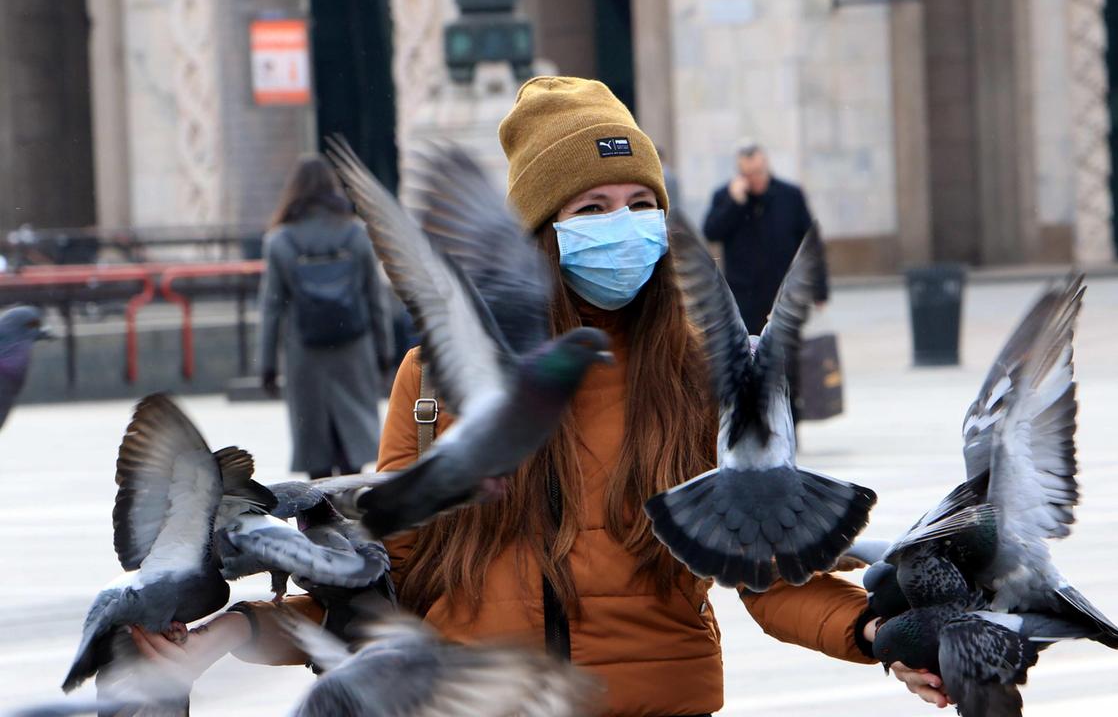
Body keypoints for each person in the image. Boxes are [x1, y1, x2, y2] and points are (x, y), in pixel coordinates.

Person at [130, 78, 949, 714]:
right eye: (592, 208)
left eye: (641, 206)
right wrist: (227, 634)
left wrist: (876, 632)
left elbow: (770, 567)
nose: (623, 225)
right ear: (538, 236)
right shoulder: (434, 379)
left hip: (654, 706)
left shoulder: (702, 371)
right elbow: (382, 584)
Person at [257, 155, 391, 480]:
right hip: (353, 347)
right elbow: (376, 297)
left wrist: (267, 366)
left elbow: (271, 307)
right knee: (354, 432)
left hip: (305, 351)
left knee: (313, 436)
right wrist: (385, 352)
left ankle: (316, 517)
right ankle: (348, 505)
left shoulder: (280, 241)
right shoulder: (356, 234)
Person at [702, 143, 830, 336]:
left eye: (758, 171)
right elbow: (711, 232)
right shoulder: (725, 197)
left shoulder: (790, 195)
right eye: (748, 174)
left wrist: (820, 289)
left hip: (784, 292)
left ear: (766, 165)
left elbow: (811, 243)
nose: (755, 179)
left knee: (787, 355)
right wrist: (734, 203)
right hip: (744, 296)